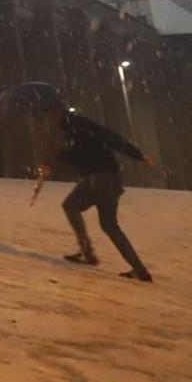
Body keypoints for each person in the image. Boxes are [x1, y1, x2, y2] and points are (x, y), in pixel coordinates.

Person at [40, 107, 154, 283]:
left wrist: (56, 156)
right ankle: (140, 270)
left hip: (98, 179)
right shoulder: (77, 127)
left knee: (70, 206)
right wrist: (138, 155)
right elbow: (105, 142)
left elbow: (91, 148)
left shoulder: (76, 127)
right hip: (111, 178)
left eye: (48, 115)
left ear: (55, 112)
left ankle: (87, 252)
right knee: (110, 225)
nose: (49, 120)